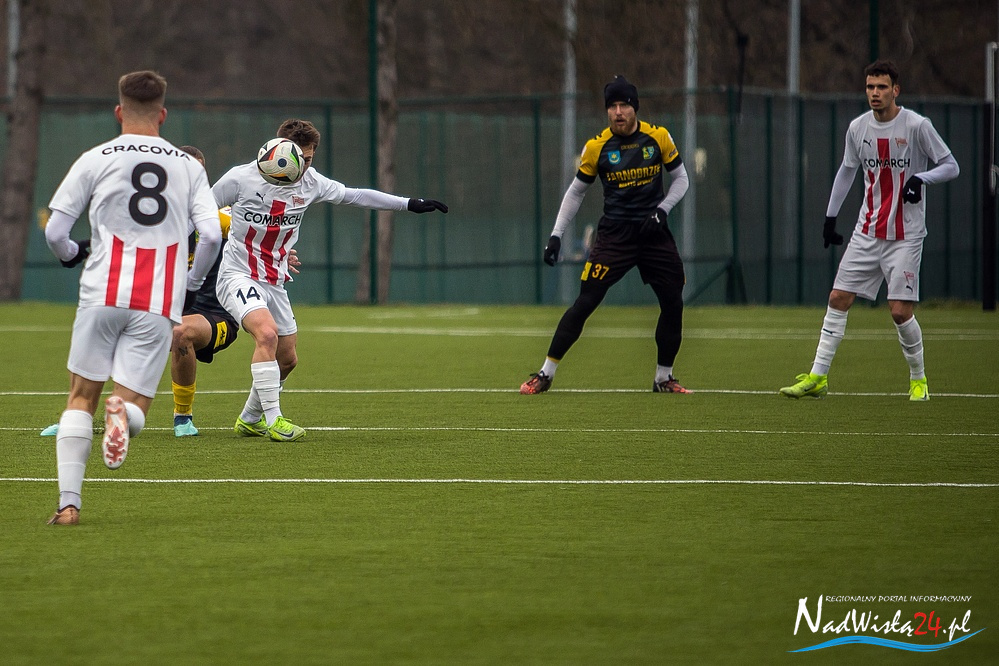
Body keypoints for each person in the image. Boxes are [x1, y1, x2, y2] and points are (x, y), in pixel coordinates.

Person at [44, 70, 221, 525]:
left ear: (119, 111)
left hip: (101, 292)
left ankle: (68, 505)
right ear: (163, 115)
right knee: (134, 403)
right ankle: (123, 416)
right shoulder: (189, 167)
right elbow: (210, 236)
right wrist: (191, 283)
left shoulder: (95, 157)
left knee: (80, 397)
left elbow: (56, 232)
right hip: (158, 301)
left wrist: (71, 255)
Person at [213, 118, 448, 442]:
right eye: (299, 158)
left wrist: (408, 204)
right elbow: (202, 211)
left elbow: (355, 196)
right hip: (237, 274)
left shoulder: (311, 183)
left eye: (309, 159)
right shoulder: (240, 178)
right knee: (266, 334)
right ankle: (275, 420)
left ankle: (250, 419)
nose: (303, 167)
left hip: (275, 280)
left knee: (288, 359)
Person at [779, 60, 959, 401]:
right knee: (838, 298)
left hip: (905, 234)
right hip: (867, 231)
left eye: (882, 87)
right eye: (870, 87)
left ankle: (918, 380)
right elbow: (847, 171)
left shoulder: (917, 125)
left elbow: (951, 166)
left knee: (899, 311)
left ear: (895, 90)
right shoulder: (858, 128)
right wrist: (830, 218)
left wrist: (921, 179)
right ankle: (818, 376)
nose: (875, 93)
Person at [520, 75, 690, 395]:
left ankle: (663, 378)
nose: (618, 112)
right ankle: (545, 374)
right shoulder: (597, 147)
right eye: (612, 106)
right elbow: (576, 192)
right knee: (585, 302)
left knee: (673, 303)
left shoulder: (658, 137)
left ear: (635, 107)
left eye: (624, 105)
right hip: (615, 236)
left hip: (654, 233)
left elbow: (681, 179)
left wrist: (662, 210)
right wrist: (556, 235)